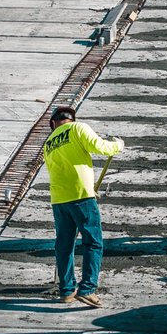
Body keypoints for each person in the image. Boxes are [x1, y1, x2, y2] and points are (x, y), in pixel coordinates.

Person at [42, 105, 123, 307]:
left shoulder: (49, 143)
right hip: (81, 196)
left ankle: (67, 290)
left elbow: (60, 169)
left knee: (64, 245)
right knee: (93, 242)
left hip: (59, 199)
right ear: (71, 119)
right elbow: (100, 147)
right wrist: (117, 145)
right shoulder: (78, 128)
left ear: (53, 123)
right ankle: (87, 288)